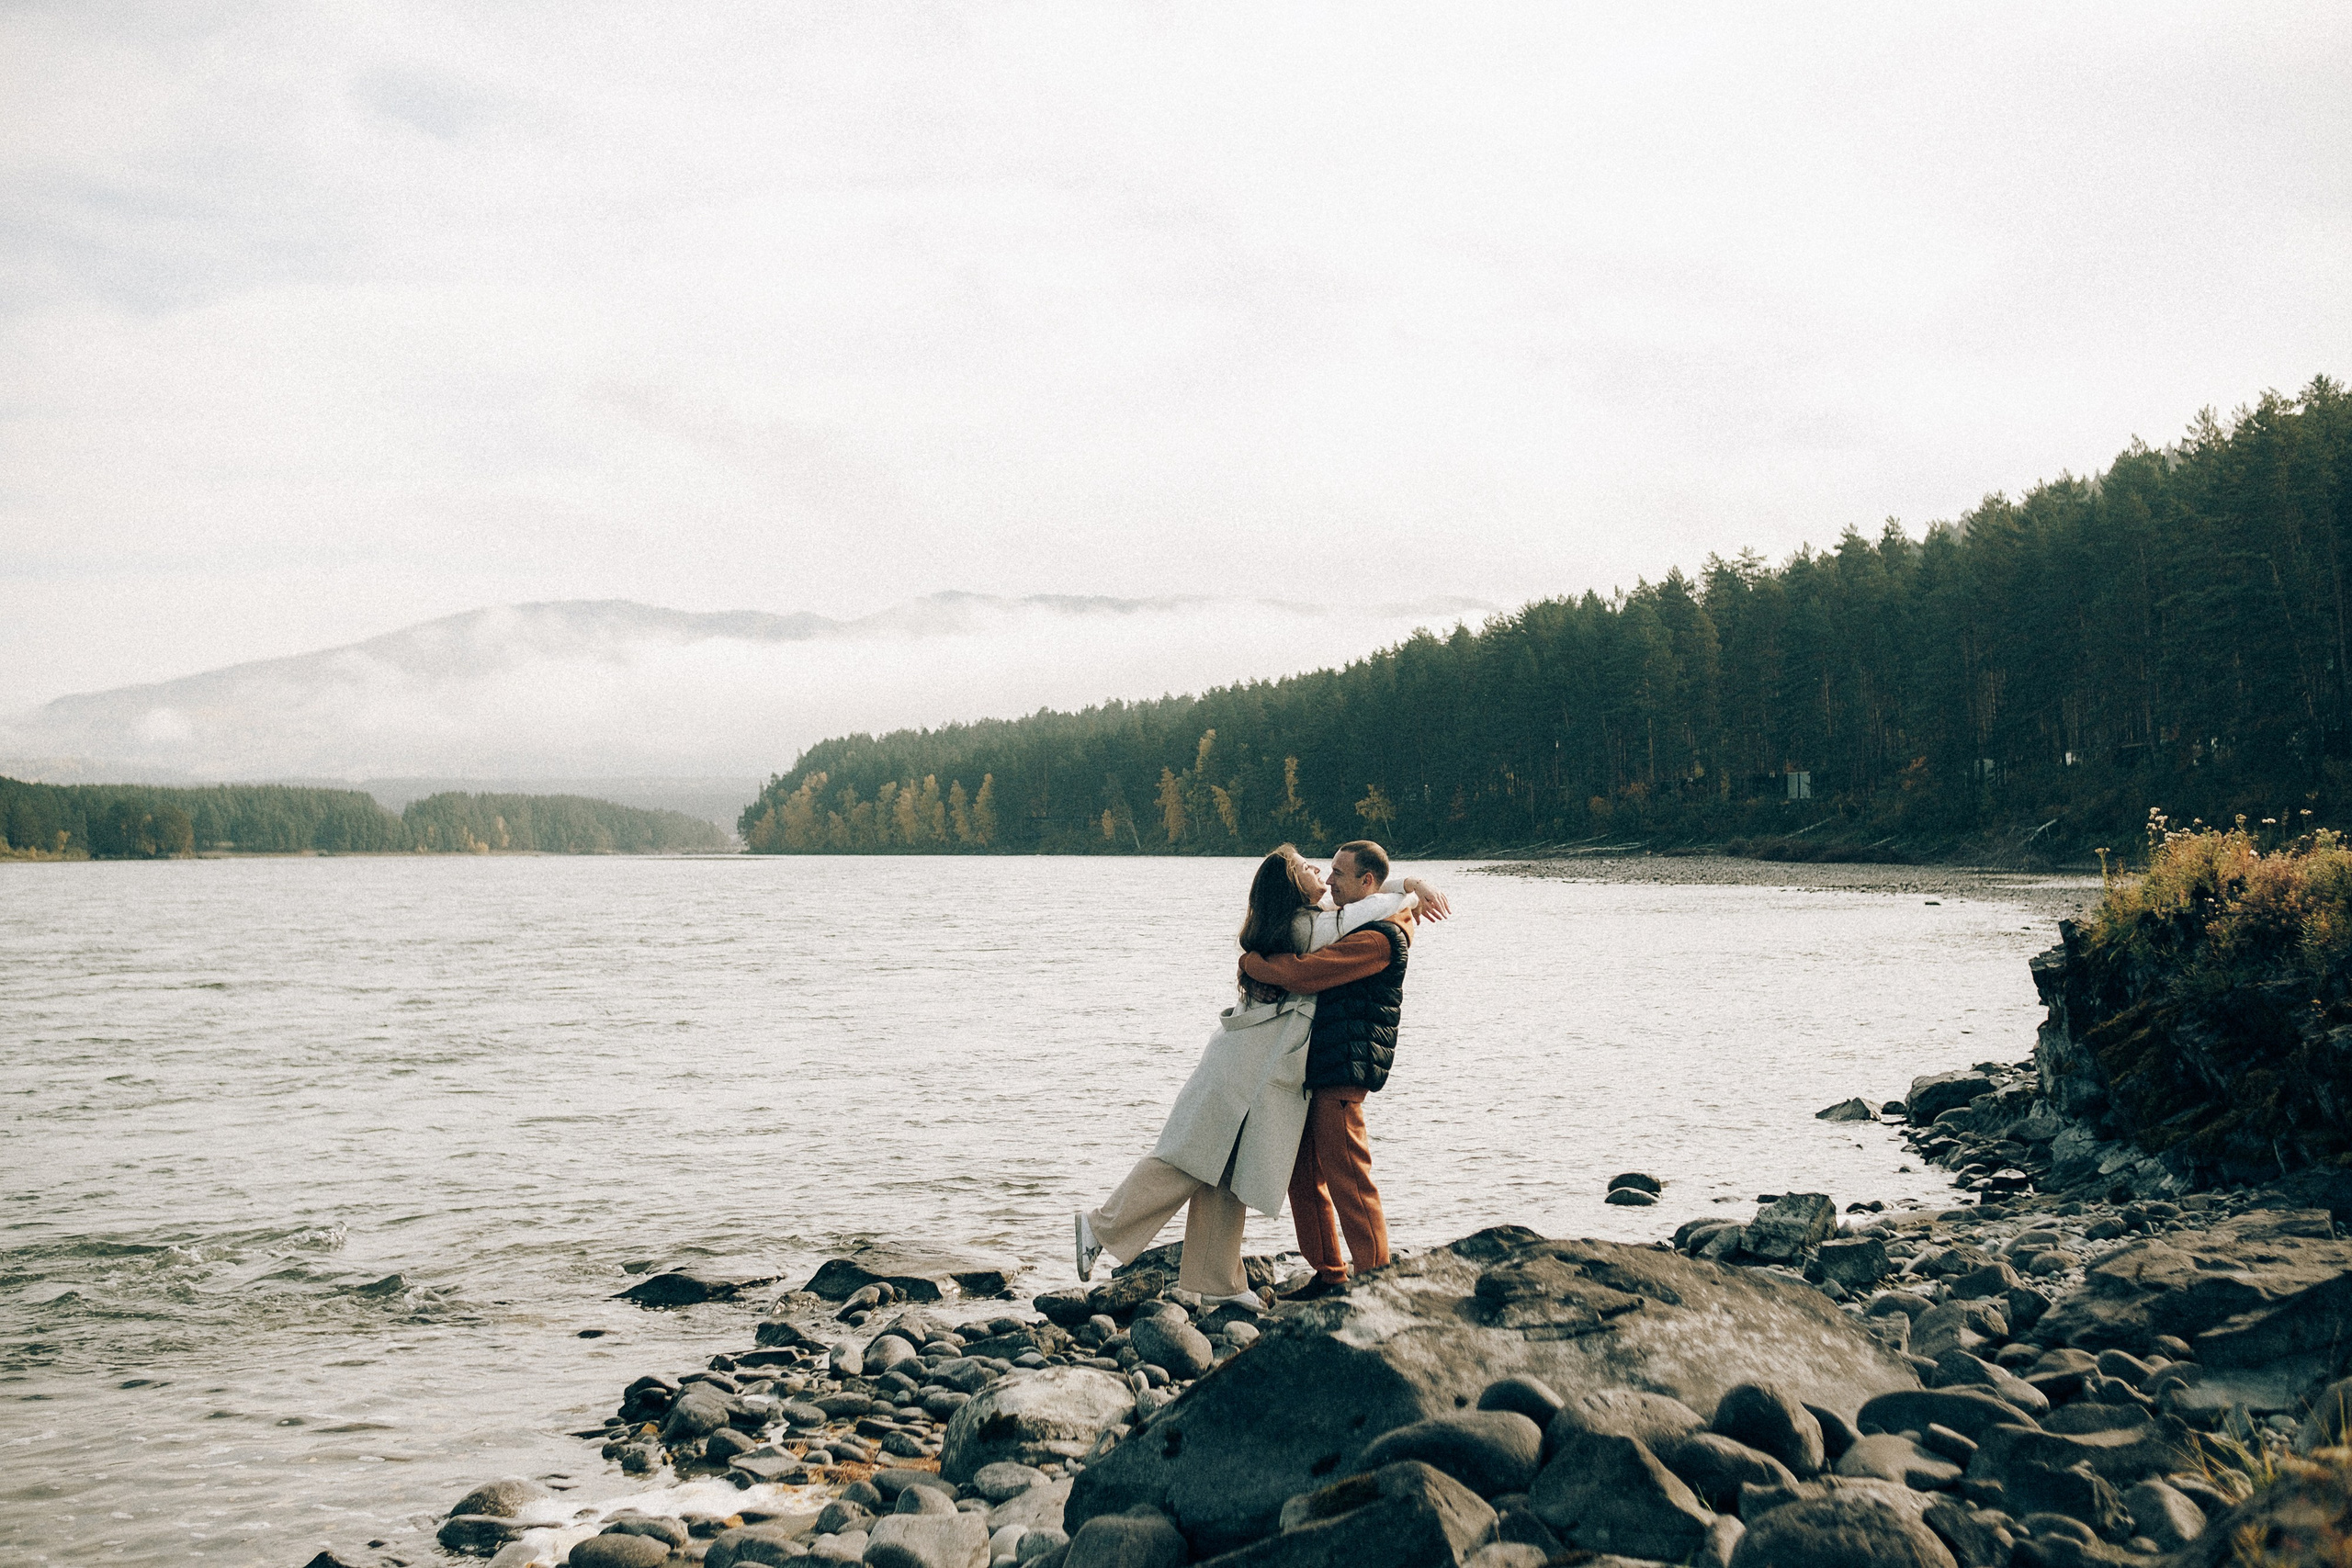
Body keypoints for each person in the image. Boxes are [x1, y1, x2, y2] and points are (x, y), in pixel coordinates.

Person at [1073, 845, 1443, 1306]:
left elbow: (1340, 936)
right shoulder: (1308, 927)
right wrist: (1409, 888)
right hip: (1252, 1068)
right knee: (1199, 1159)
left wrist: (1411, 888)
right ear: (1292, 887)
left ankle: (1234, 1283)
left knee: (1248, 1170)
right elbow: (1359, 908)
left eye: (1333, 873)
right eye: (1315, 870)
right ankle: (1109, 1229)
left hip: (1301, 1070)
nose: (1326, 879)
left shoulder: (1349, 929)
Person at [1237, 840, 1419, 1300]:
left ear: (1367, 883)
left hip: (1345, 1068)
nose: (1330, 879)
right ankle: (1329, 1273)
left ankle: (1377, 1279)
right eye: (1329, 871)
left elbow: (1305, 974)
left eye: (1340, 873)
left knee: (1349, 1177)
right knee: (1303, 1173)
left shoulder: (1381, 937)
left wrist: (1252, 962)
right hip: (1316, 1066)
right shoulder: (1345, 924)